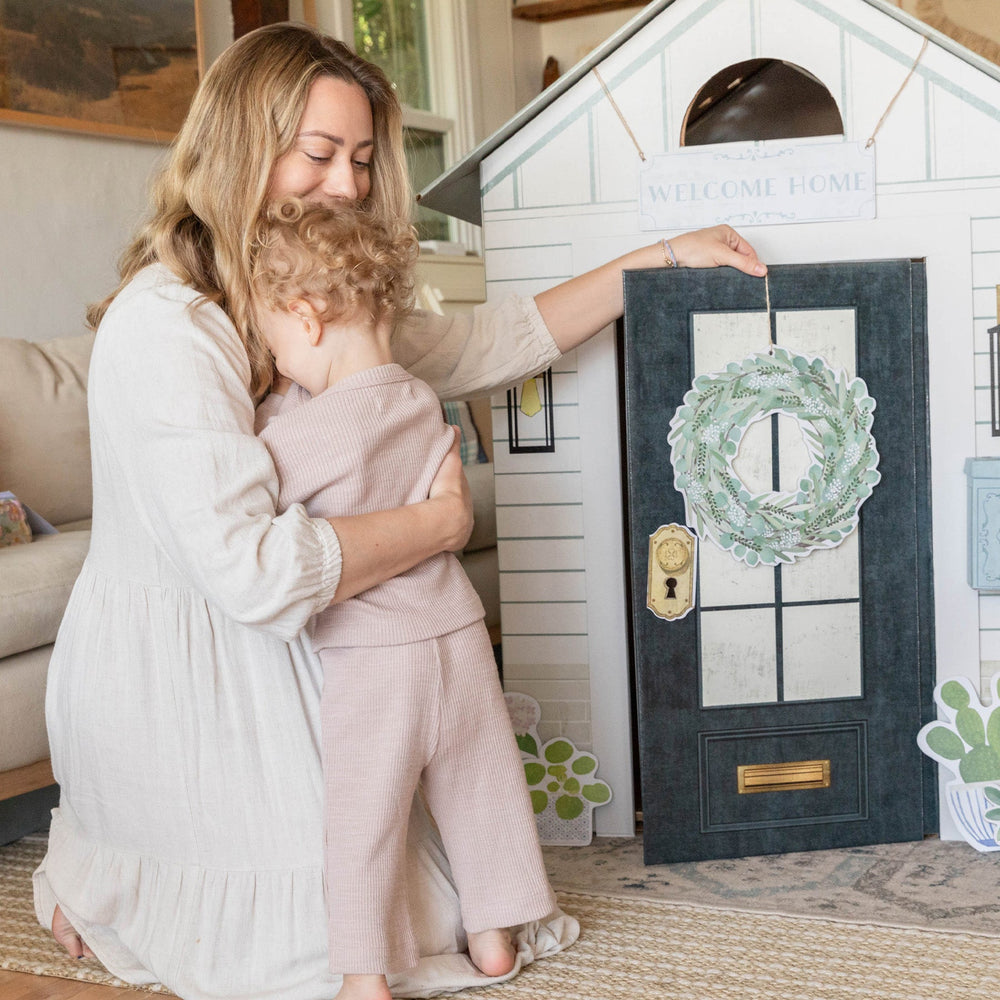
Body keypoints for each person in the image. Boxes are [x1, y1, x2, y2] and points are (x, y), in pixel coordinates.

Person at [34, 20, 766, 1000]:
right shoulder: (167, 325)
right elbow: (253, 571)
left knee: (417, 893)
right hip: (182, 660)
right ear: (245, 147)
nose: (345, 184)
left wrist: (657, 262)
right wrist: (433, 525)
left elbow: (479, 344)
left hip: (295, 631)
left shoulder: (311, 297)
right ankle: (112, 866)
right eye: (320, 154)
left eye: (362, 159)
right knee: (327, 923)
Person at [251, 196, 556, 1000]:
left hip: (374, 655)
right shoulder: (422, 401)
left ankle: (363, 974)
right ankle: (494, 934)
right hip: (457, 635)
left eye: (274, 341)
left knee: (365, 817)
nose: (277, 362)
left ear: (306, 316)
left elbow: (253, 490)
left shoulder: (311, 426)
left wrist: (266, 415)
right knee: (482, 789)